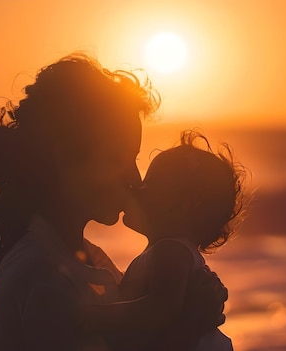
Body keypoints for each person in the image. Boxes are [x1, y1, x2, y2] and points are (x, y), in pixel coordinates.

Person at [0, 53, 228, 350]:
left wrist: (190, 300)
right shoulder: (41, 276)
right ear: (65, 158)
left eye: (134, 158)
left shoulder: (88, 262)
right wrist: (190, 324)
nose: (134, 177)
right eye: (118, 158)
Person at [80, 130, 248, 350]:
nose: (136, 188)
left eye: (148, 185)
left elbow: (160, 309)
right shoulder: (164, 252)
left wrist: (91, 317)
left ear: (182, 205)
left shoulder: (170, 252)